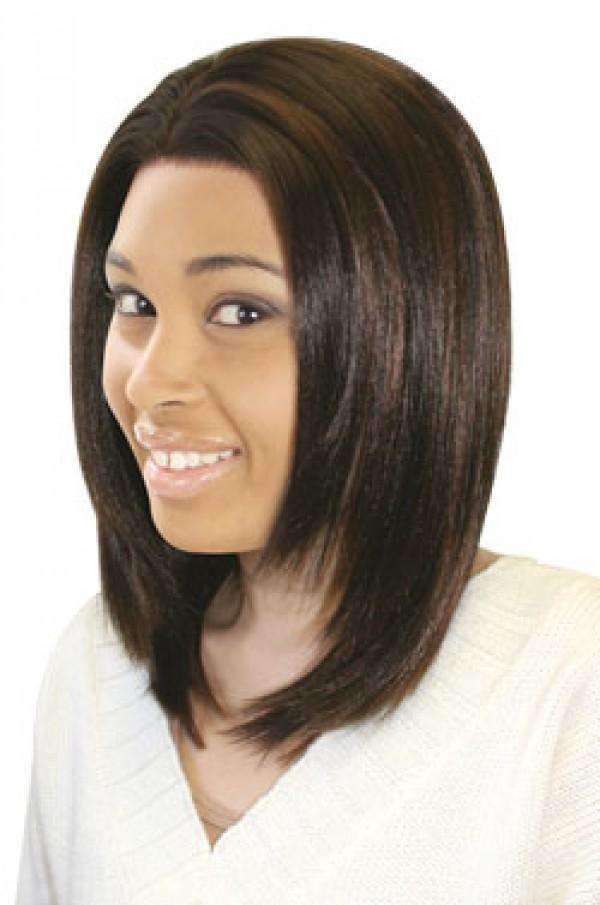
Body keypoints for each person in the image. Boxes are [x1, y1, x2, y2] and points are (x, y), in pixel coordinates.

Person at [15, 36, 600, 904]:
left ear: (404, 329)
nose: (149, 380)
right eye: (135, 303)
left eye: (239, 311)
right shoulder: (96, 673)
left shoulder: (566, 679)